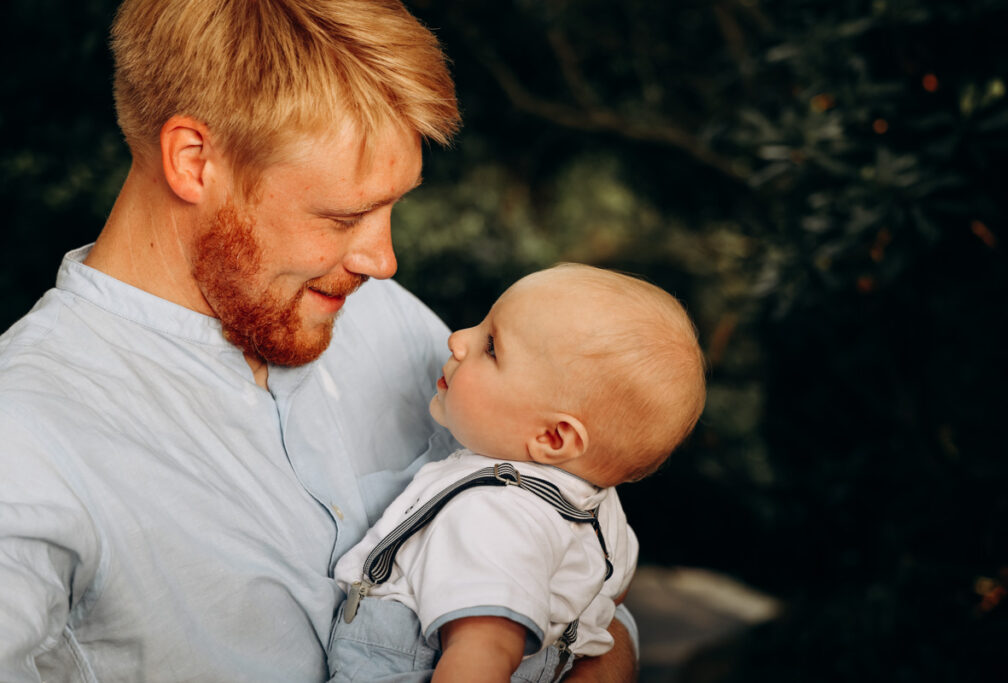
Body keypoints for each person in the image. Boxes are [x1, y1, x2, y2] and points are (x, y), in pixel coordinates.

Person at [0, 1, 639, 681]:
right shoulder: (28, 441)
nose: (383, 259)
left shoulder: (384, 315)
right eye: (345, 216)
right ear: (193, 162)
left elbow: (581, 571)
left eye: (396, 205)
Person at [329, 264, 707, 682]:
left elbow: (483, 653)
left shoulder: (494, 514)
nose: (456, 340)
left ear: (553, 437)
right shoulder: (598, 506)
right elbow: (612, 594)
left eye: (491, 347)